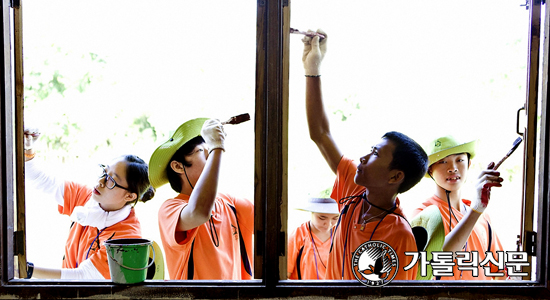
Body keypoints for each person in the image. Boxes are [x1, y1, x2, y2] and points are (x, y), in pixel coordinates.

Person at [301, 30, 428, 281]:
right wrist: (312, 68)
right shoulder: (354, 186)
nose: (362, 158)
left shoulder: (400, 234)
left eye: (375, 154)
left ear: (395, 177)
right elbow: (320, 133)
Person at [23, 128, 155, 279]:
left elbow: (82, 277)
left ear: (129, 196)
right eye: (104, 172)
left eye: (111, 180)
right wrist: (28, 150)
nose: (100, 182)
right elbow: (40, 179)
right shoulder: (86, 197)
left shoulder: (128, 239)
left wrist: (26, 270)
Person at [149, 118, 254, 280]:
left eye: (210, 151)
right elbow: (199, 212)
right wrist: (217, 148)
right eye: (204, 152)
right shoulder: (169, 209)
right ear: (177, 166)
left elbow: (271, 219)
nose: (212, 157)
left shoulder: (229, 202)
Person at [412, 135, 507, 280]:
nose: (452, 168)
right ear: (430, 170)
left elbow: (500, 271)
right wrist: (475, 210)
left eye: (460, 160)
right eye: (443, 162)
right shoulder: (424, 214)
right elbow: (430, 263)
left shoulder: (482, 216)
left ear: (468, 164)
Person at [287, 197, 340, 280]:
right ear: (312, 213)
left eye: (335, 218)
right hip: (303, 291)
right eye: (322, 218)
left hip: (333, 291)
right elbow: (285, 274)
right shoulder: (298, 235)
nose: (328, 224)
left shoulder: (340, 236)